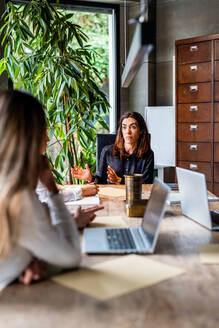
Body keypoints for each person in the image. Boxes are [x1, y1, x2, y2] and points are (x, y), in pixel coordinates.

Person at [0, 90, 103, 290]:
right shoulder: (19, 199)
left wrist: (30, 256)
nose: (47, 140)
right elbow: (71, 256)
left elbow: (29, 230)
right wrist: (52, 191)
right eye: (43, 131)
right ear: (29, 138)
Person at [72, 112, 154, 184]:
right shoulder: (107, 151)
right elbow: (100, 179)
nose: (127, 132)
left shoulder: (148, 154)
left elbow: (146, 183)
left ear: (141, 131)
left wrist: (120, 181)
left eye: (133, 127)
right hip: (111, 197)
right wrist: (91, 178)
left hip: (135, 198)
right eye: (124, 127)